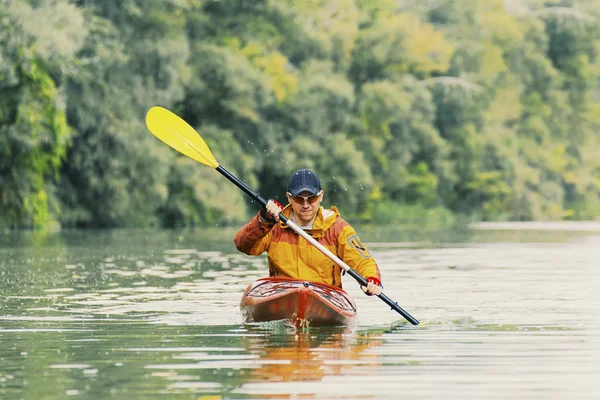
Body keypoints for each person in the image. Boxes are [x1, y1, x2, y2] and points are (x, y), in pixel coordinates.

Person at [234, 168, 382, 296]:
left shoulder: (337, 227)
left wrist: (371, 278)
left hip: (325, 295)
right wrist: (263, 220)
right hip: (282, 293)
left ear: (321, 196)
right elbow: (243, 245)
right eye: (299, 199)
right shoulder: (274, 224)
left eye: (311, 198)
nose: (305, 205)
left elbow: (362, 260)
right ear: (289, 198)